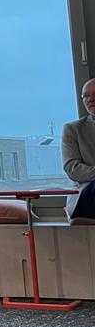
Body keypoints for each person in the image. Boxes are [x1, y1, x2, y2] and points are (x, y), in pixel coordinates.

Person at [62, 77, 95, 220]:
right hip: (87, 192)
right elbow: (72, 169)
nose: (91, 99)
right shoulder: (73, 129)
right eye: (86, 95)